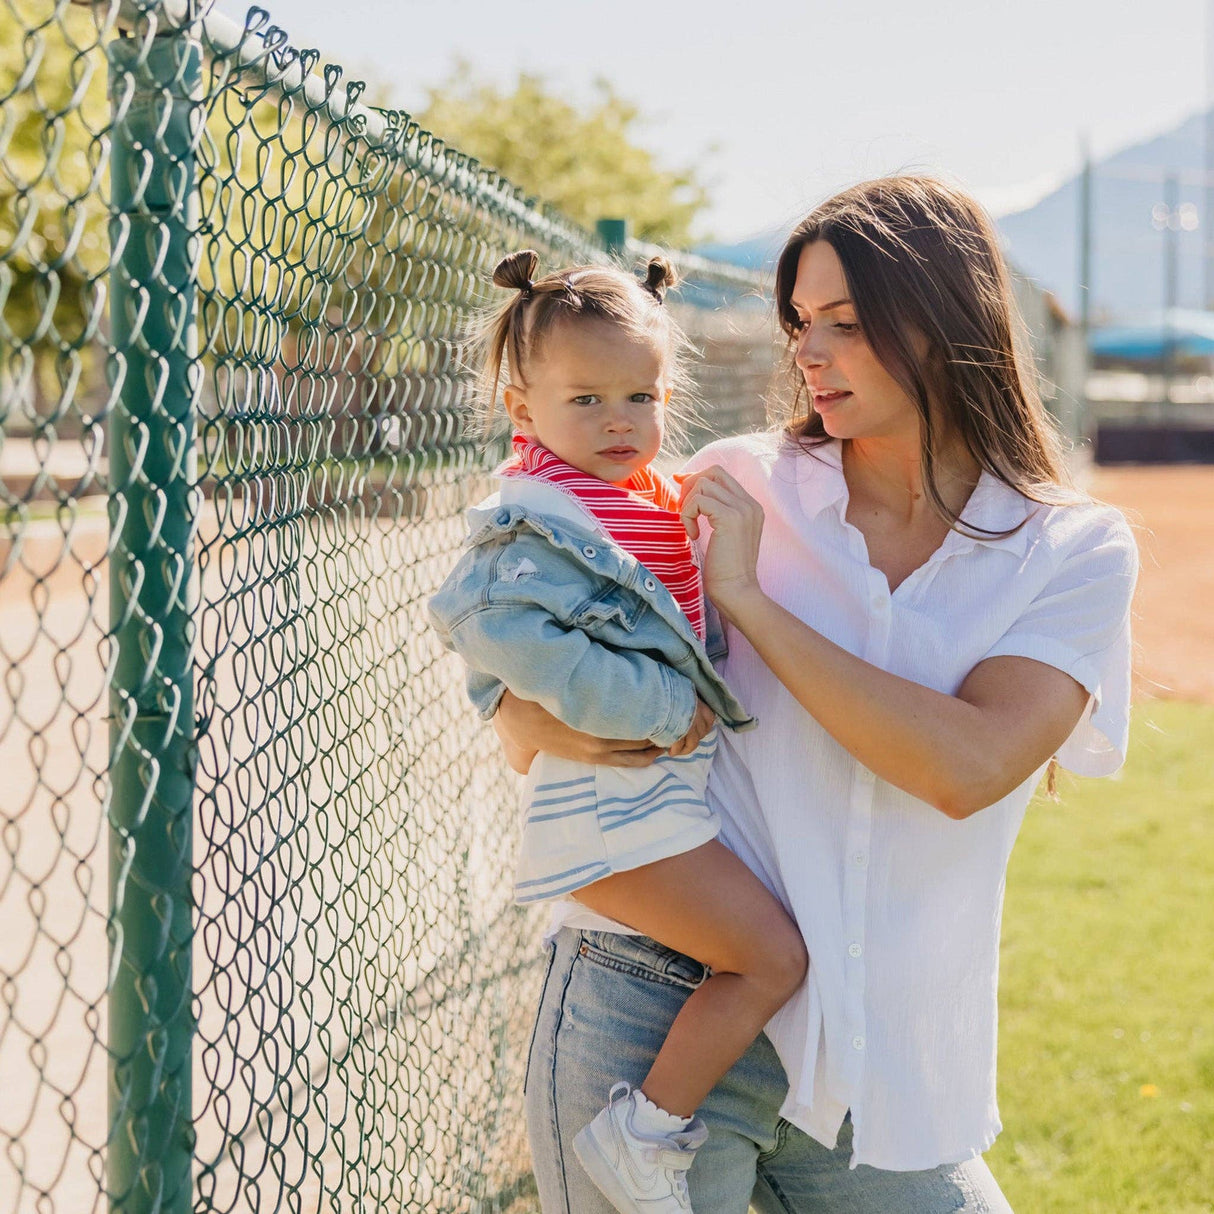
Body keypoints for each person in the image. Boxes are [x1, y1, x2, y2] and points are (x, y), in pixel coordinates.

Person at [494, 176, 1139, 1213]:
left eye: (842, 322)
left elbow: (965, 765)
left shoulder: (1068, 547)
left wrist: (746, 597)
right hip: (653, 1006)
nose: (806, 350)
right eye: (797, 321)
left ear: (942, 319)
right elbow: (549, 677)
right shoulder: (726, 482)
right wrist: (523, 712)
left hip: (877, 1051)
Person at [426, 250, 809, 1214]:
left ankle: (648, 1131)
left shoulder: (647, 498)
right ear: (523, 410)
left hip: (646, 798)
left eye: (637, 398)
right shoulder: (535, 515)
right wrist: (659, 710)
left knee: (763, 955)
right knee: (770, 958)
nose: (616, 421)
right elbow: (485, 621)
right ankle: (641, 1138)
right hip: (608, 807)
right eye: (585, 399)